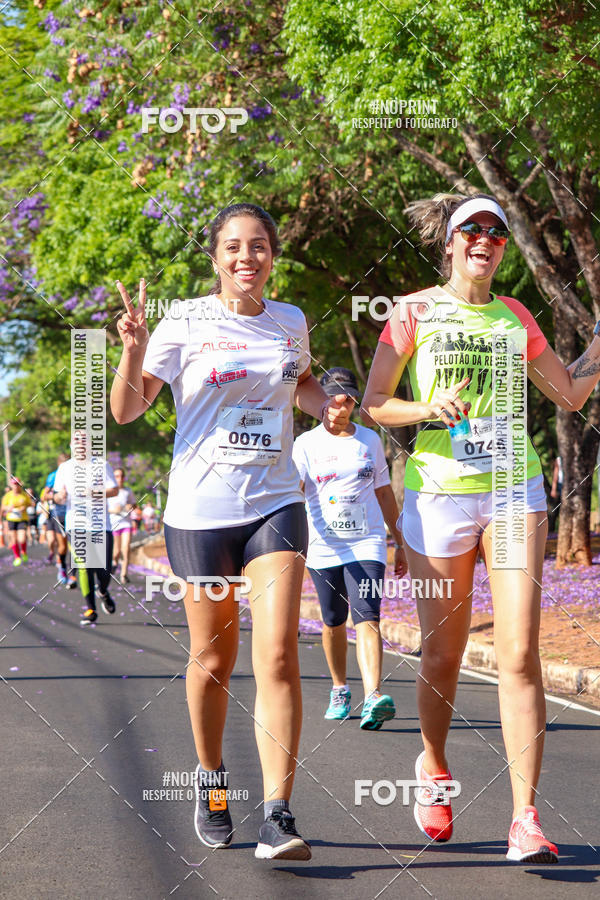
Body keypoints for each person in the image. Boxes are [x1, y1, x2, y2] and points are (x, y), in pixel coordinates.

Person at [363, 192, 600, 864]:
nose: (487, 240)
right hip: (438, 495)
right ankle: (433, 768)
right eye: (474, 229)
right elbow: (377, 403)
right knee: (442, 655)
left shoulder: (515, 315)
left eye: (497, 232)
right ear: (449, 241)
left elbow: (569, 392)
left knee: (520, 654)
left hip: (511, 489)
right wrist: (427, 407)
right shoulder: (412, 311)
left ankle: (525, 816)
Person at [111, 202, 352, 861]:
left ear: (273, 255)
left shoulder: (290, 321)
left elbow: (300, 387)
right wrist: (132, 351)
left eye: (260, 246)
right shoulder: (184, 321)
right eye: (234, 247)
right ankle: (212, 778)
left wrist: (324, 404)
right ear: (215, 257)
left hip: (275, 503)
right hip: (199, 512)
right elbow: (130, 408)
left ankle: (278, 813)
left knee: (276, 653)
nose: (248, 256)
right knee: (214, 658)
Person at [293, 367, 407, 729]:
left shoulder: (370, 442)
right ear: (323, 401)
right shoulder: (305, 445)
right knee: (333, 621)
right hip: (323, 545)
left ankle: (373, 695)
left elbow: (384, 492)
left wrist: (399, 540)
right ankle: (340, 688)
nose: (341, 408)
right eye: (335, 401)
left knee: (368, 616)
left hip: (367, 541)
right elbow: (294, 495)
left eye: (349, 401)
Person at [53, 433, 119, 624]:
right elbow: (56, 496)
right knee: (83, 566)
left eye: (84, 440)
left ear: (90, 444)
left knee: (104, 570)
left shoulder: (101, 464)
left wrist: (93, 492)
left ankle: (103, 591)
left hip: (100, 524)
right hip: (76, 523)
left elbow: (114, 489)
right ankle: (90, 609)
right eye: (76, 440)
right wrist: (60, 496)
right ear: (71, 445)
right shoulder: (64, 468)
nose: (80, 443)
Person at [44, 453, 77, 587]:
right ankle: (62, 568)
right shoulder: (53, 476)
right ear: (59, 465)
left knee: (76, 546)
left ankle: (74, 576)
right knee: (63, 546)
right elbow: (44, 495)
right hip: (59, 513)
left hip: (75, 512)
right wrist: (56, 495)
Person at [108, 468, 136, 582]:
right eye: (116, 476)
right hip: (113, 524)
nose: (119, 479)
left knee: (126, 548)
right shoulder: (109, 491)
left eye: (121, 476)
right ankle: (114, 562)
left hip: (126, 523)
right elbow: (103, 508)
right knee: (116, 551)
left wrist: (131, 507)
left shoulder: (127, 491)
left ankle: (124, 574)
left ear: (124, 478)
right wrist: (114, 510)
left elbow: (134, 504)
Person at [1, 476, 30, 566]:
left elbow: (30, 504)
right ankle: (17, 557)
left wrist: (24, 507)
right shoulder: (7, 495)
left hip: (22, 519)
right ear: (11, 485)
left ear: (20, 485)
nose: (16, 486)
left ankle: (24, 552)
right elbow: (3, 507)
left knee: (22, 538)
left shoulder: (24, 495)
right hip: (11, 519)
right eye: (14, 484)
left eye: (17, 484)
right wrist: (8, 508)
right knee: (13, 539)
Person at [548, 456, 563, 533]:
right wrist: (553, 489)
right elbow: (555, 475)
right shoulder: (559, 459)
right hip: (561, 485)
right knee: (558, 508)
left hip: (572, 483)